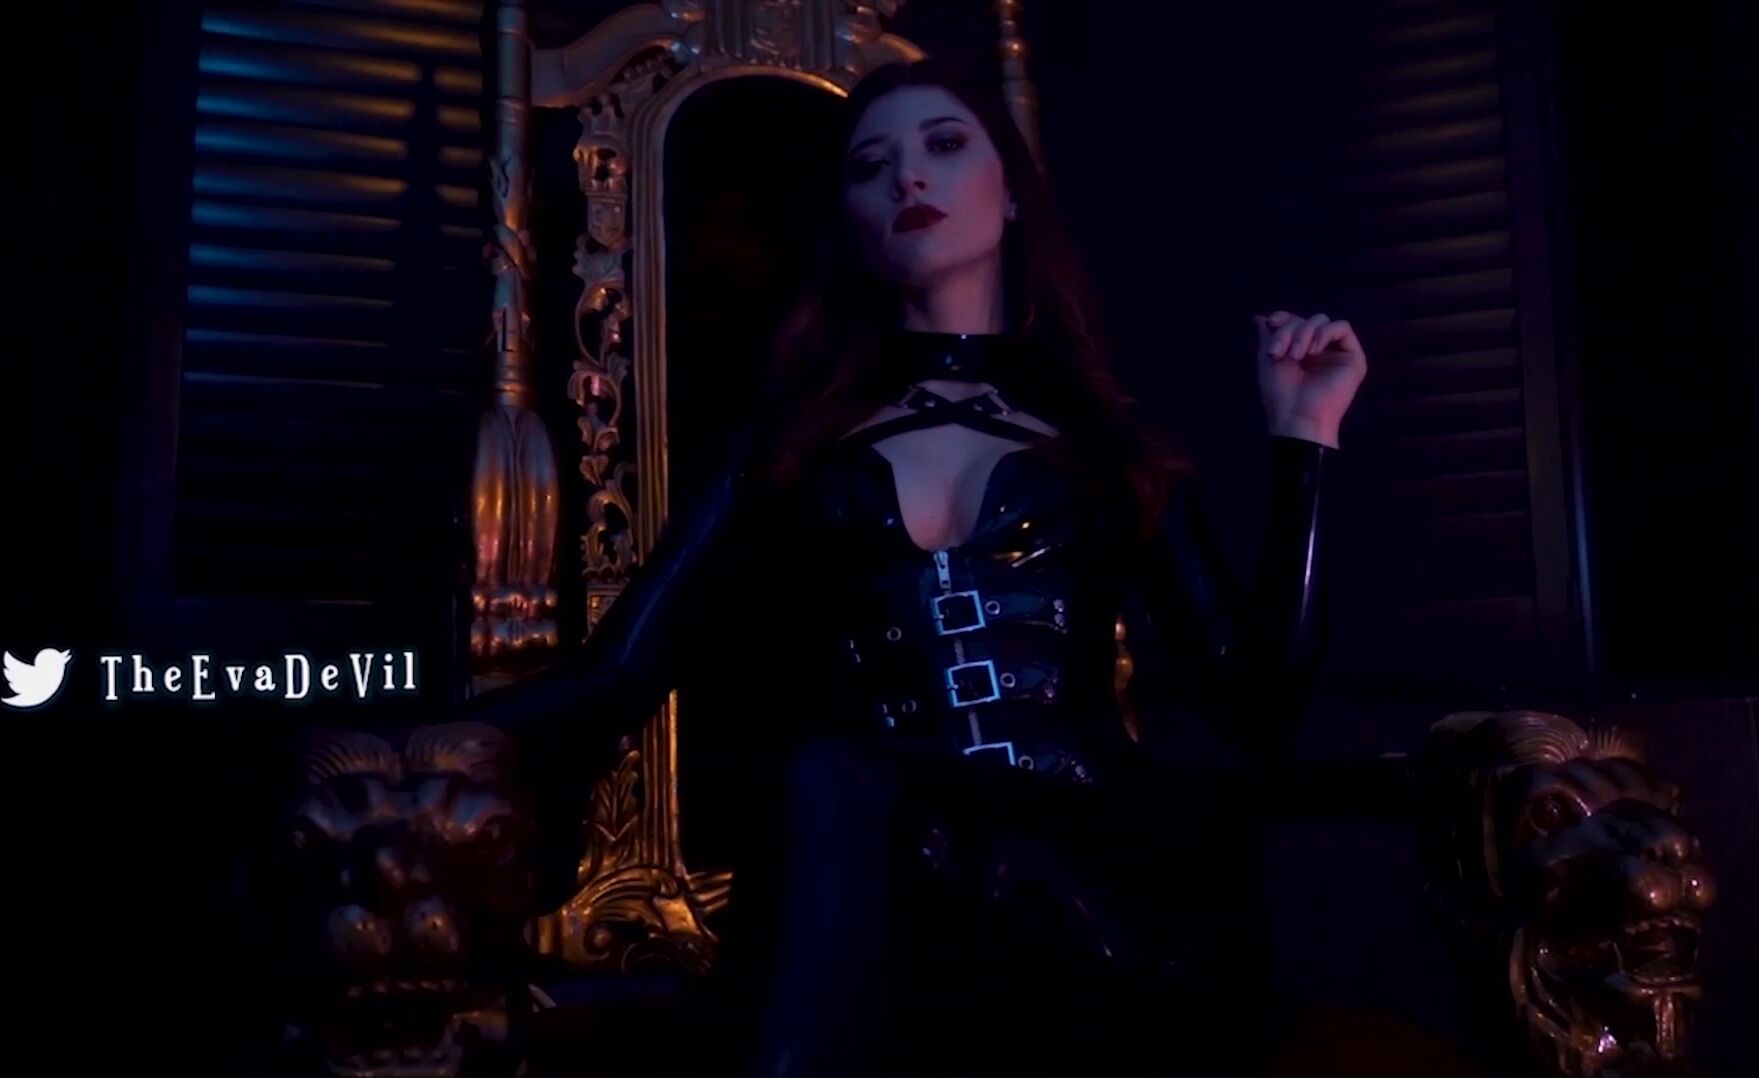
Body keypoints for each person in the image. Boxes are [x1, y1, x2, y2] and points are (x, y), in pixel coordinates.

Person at [467, 57, 1367, 1078]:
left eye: (944, 145)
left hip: (1086, 887)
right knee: (838, 787)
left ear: (1011, 193)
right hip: (867, 892)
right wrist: (395, 740)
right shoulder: (786, 447)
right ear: (848, 222)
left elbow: (1255, 707)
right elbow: (621, 673)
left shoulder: (1106, 445)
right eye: (871, 166)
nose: (908, 178)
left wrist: (1305, 436)